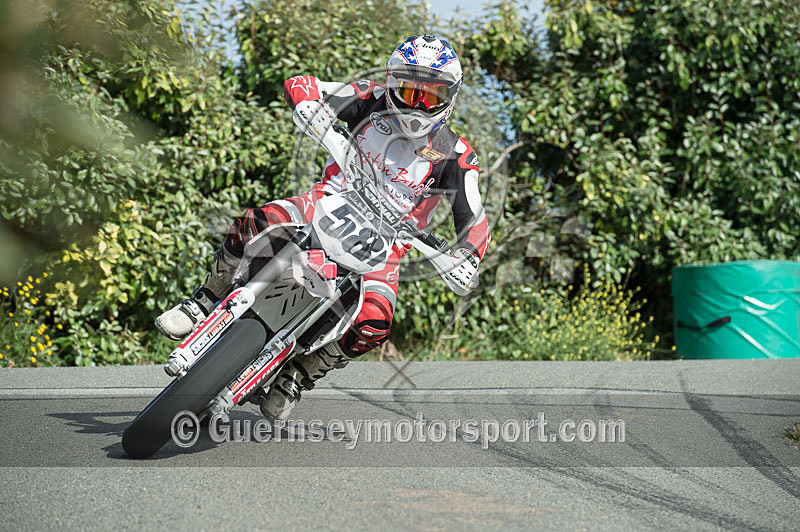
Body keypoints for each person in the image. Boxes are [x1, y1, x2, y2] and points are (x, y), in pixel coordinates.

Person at [155, 34, 491, 421]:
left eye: (429, 96)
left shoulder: (456, 153)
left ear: (449, 98)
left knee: (374, 322)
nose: (416, 105)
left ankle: (298, 375)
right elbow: (303, 84)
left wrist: (465, 256)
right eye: (408, 91)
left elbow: (475, 220)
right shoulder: (369, 98)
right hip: (328, 200)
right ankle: (205, 300)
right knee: (256, 222)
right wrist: (313, 113)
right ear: (390, 81)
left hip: (388, 245)